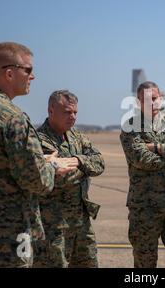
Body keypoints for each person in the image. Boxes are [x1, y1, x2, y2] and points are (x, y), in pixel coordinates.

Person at [0, 42, 76, 268]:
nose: (33, 76)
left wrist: (40, 161)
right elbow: (35, 180)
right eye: (28, 70)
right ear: (9, 73)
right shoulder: (12, 117)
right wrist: (52, 167)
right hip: (10, 231)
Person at [120, 81, 165, 268]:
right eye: (147, 99)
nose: (152, 103)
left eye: (155, 98)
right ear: (138, 102)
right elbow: (142, 159)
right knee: (145, 262)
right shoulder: (130, 127)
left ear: (161, 98)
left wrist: (157, 147)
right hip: (144, 206)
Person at [33, 90, 105, 268]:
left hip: (81, 222)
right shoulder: (38, 140)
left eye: (75, 112)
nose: (72, 117)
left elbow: (99, 163)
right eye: (67, 112)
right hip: (54, 225)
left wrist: (78, 160)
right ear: (51, 111)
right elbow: (58, 178)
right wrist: (84, 168)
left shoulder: (77, 136)